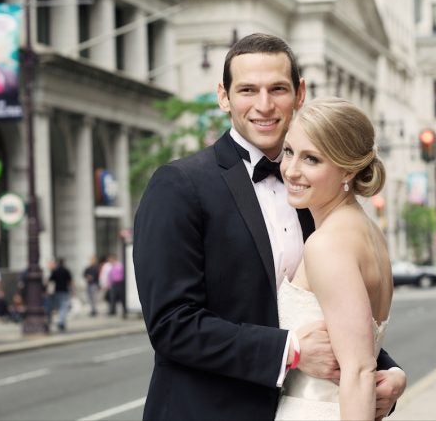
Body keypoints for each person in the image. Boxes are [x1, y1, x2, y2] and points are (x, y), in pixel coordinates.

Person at [133, 33, 406, 421]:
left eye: (277, 88)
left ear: (299, 93)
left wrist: (389, 374)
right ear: (223, 97)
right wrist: (289, 350)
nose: (264, 105)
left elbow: (334, 311)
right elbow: (170, 324)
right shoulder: (178, 186)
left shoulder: (314, 194)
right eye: (247, 89)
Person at [274, 97, 394, 420]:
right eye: (288, 152)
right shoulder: (371, 234)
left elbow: (358, 370)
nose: (291, 170)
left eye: (311, 159)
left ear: (348, 169)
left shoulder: (326, 245)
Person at [48, 258, 74, 332]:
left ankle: (61, 322)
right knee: (64, 307)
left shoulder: (55, 271)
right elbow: (70, 281)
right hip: (64, 291)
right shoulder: (66, 270)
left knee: (60, 308)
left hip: (57, 291)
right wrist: (73, 290)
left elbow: (50, 281)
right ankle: (60, 321)